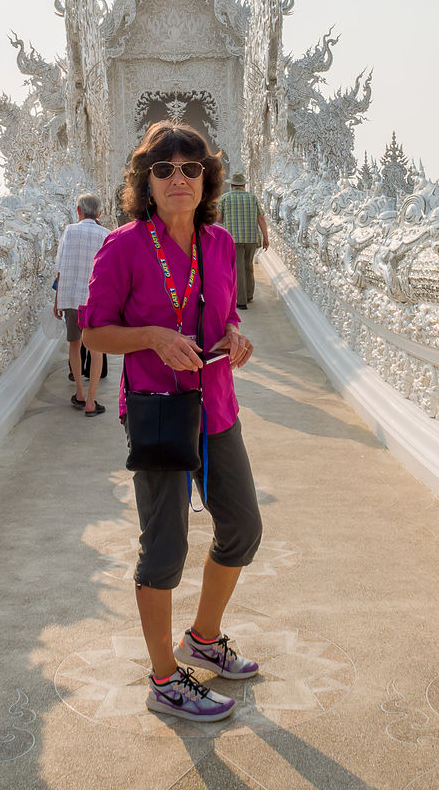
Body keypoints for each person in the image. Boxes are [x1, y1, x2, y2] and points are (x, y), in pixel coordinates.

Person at [81, 122, 263, 723]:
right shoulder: (124, 245)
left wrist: (234, 336)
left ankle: (203, 637)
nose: (179, 178)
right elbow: (94, 331)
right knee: (164, 549)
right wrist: (153, 338)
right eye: (165, 169)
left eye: (191, 168)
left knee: (241, 528)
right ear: (147, 181)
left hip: (215, 407)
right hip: (160, 411)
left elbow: (227, 311)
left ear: (206, 178)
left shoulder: (215, 244)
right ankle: (164, 678)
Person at [53, 192, 110, 416]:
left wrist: (57, 300)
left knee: (74, 344)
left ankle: (79, 392)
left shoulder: (70, 231)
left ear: (78, 211)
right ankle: (91, 402)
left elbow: (59, 265)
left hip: (70, 297)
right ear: (100, 213)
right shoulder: (106, 234)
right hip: (95, 299)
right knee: (96, 349)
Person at [217, 169, 268, 309]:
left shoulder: (225, 198)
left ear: (232, 185)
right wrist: (265, 238)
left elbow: (219, 218)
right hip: (251, 238)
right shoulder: (252, 198)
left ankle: (241, 301)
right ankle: (249, 294)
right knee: (248, 266)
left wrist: (229, 220)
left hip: (233, 238)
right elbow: (261, 218)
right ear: (243, 186)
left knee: (237, 268)